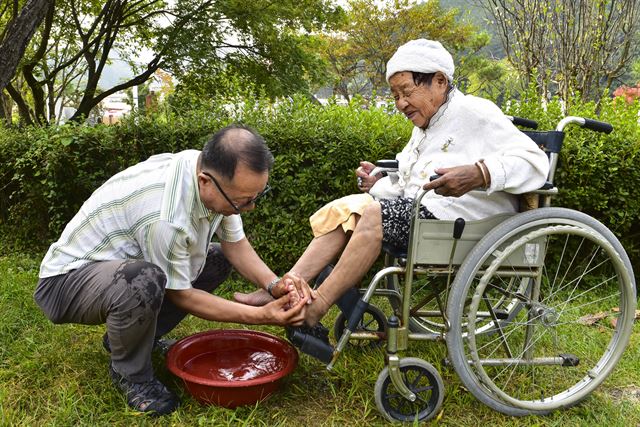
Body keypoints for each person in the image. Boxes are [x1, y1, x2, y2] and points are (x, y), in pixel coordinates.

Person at [235, 39, 550, 337]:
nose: (400, 103)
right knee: (347, 208)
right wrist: (379, 181)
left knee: (373, 214)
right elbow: (411, 179)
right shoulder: (426, 125)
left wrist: (479, 173)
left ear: (439, 81)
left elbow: (535, 161)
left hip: (464, 222)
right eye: (395, 95)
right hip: (428, 214)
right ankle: (282, 288)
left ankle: (315, 308)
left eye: (406, 92)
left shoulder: (475, 112)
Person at [34, 124, 313, 416]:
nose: (250, 208)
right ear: (206, 181)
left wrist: (274, 285)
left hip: (118, 273)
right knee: (144, 280)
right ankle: (131, 374)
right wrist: (260, 315)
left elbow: (235, 246)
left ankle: (136, 338)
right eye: (243, 201)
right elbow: (182, 295)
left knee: (215, 259)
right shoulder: (165, 214)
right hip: (66, 282)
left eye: (256, 197)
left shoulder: (207, 172)